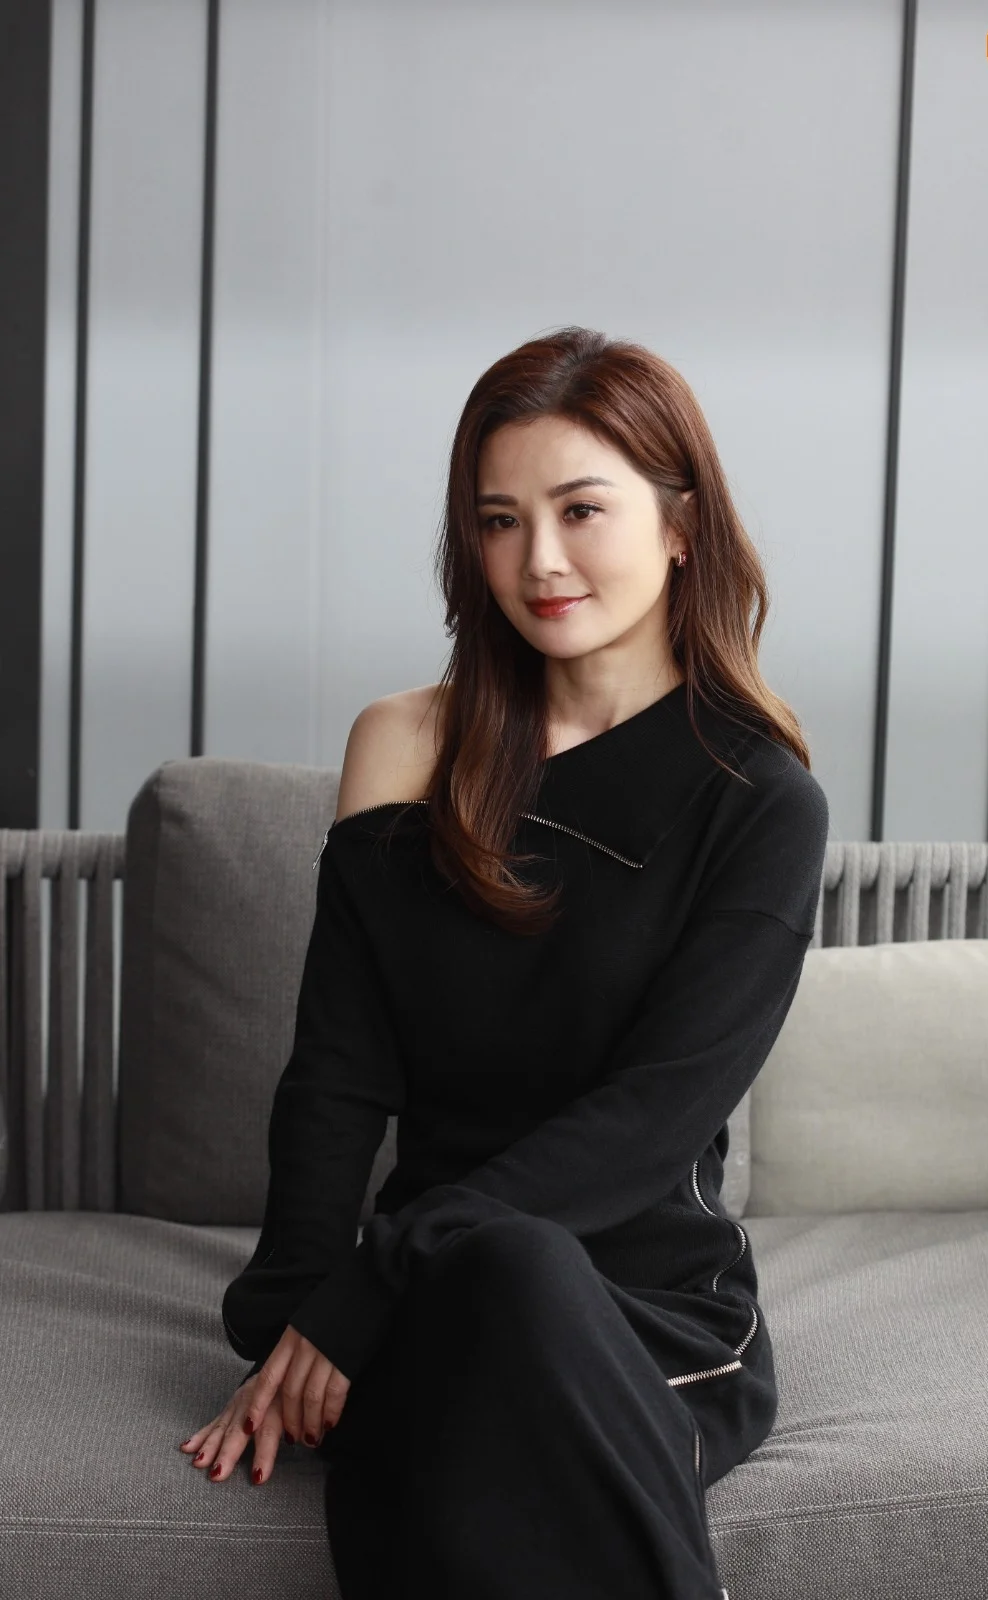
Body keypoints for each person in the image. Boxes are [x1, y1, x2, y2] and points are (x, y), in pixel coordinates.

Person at [178, 325, 829, 1598]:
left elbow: (653, 1120)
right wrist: (300, 1308)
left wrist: (376, 1281)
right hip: (430, 1290)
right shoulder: (403, 744)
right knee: (484, 1314)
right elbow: (338, 1070)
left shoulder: (758, 799)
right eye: (497, 521)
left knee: (515, 1285)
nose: (537, 560)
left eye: (580, 510)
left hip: (638, 1305)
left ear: (681, 524)